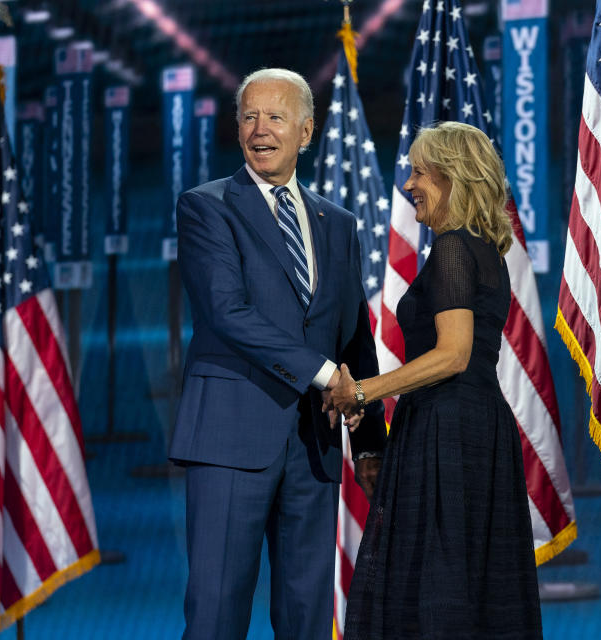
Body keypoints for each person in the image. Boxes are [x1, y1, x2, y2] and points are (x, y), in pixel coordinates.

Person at [170, 67, 386, 640]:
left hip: (312, 447)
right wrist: (323, 375)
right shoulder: (206, 207)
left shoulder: (337, 224)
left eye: (275, 116)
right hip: (228, 440)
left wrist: (368, 441)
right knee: (218, 613)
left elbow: (353, 330)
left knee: (307, 617)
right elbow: (227, 312)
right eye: (248, 116)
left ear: (306, 131)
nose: (259, 130)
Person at [331, 121, 543, 639]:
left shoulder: (452, 248)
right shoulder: (485, 251)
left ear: (454, 178)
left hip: (445, 431)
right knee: (468, 588)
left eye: (420, 173)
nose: (408, 185)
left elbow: (453, 354)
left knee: (435, 591)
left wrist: (360, 392)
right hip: (476, 430)